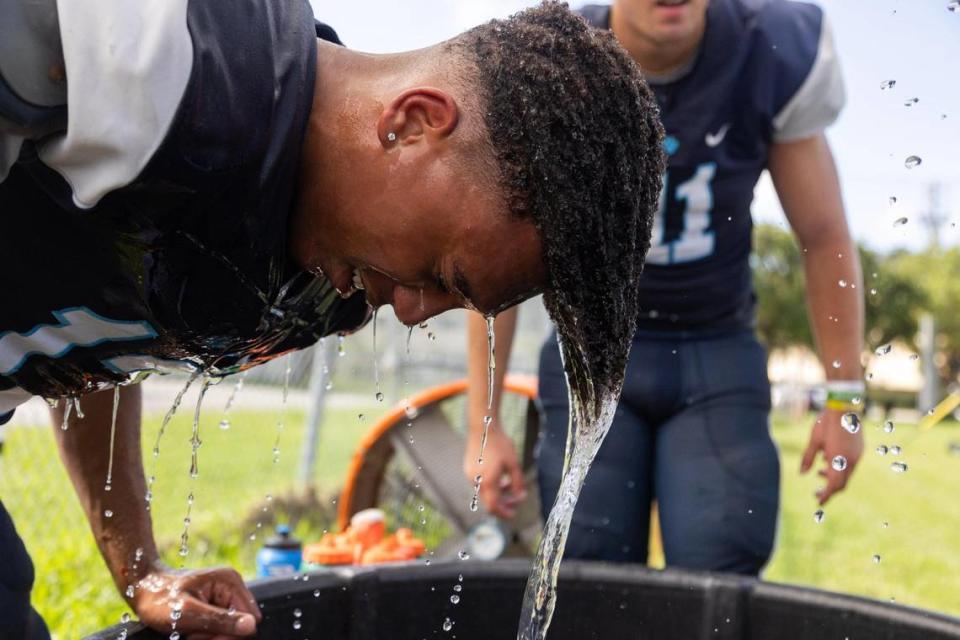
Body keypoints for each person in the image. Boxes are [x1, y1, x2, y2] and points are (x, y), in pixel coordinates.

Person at [0, 1, 663, 637]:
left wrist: (139, 568)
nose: (409, 311)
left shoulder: (324, 277)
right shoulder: (152, 41)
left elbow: (101, 343)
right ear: (415, 121)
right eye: (439, 275)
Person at [464, 0, 865, 575]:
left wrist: (845, 398)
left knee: (721, 565)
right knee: (589, 576)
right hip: (592, 353)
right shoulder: (555, 61)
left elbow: (824, 235)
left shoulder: (767, 46)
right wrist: (485, 423)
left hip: (716, 350)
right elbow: (495, 248)